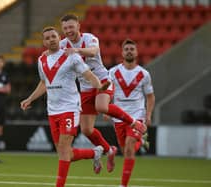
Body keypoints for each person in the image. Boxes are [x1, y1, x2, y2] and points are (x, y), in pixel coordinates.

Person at [20, 26, 110, 187]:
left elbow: (88, 74)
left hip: (70, 108)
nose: (51, 40)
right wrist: (30, 98)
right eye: (47, 38)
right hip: (52, 110)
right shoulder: (42, 60)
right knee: (65, 153)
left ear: (58, 38)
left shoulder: (71, 56)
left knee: (63, 150)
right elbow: (44, 83)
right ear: (44, 42)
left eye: (53, 36)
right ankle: (95, 152)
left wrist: (100, 86)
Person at [59, 14, 147, 173]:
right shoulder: (62, 44)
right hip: (85, 88)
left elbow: (93, 52)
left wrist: (76, 50)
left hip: (102, 80)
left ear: (78, 26)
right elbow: (53, 56)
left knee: (101, 106)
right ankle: (109, 150)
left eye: (71, 27)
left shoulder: (90, 38)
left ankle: (134, 122)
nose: (68, 31)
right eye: (65, 28)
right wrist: (46, 54)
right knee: (86, 130)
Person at [108, 39, 155, 187]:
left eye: (132, 49)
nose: (129, 51)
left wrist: (148, 115)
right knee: (126, 150)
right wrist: (107, 107)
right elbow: (108, 91)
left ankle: (123, 185)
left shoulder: (144, 74)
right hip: (119, 117)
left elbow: (150, 96)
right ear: (122, 53)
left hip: (136, 116)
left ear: (136, 53)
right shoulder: (113, 72)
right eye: (126, 49)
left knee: (128, 147)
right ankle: (140, 141)